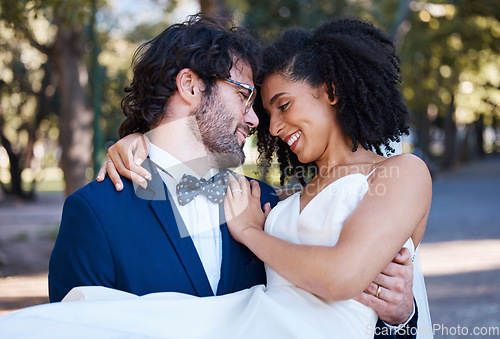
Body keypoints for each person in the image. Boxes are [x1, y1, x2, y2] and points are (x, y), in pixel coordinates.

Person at [0, 15, 427, 339]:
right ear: (190, 86)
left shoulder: (261, 205)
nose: (259, 121)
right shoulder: (96, 213)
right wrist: (137, 140)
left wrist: (403, 315)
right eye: (245, 96)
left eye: (275, 105)